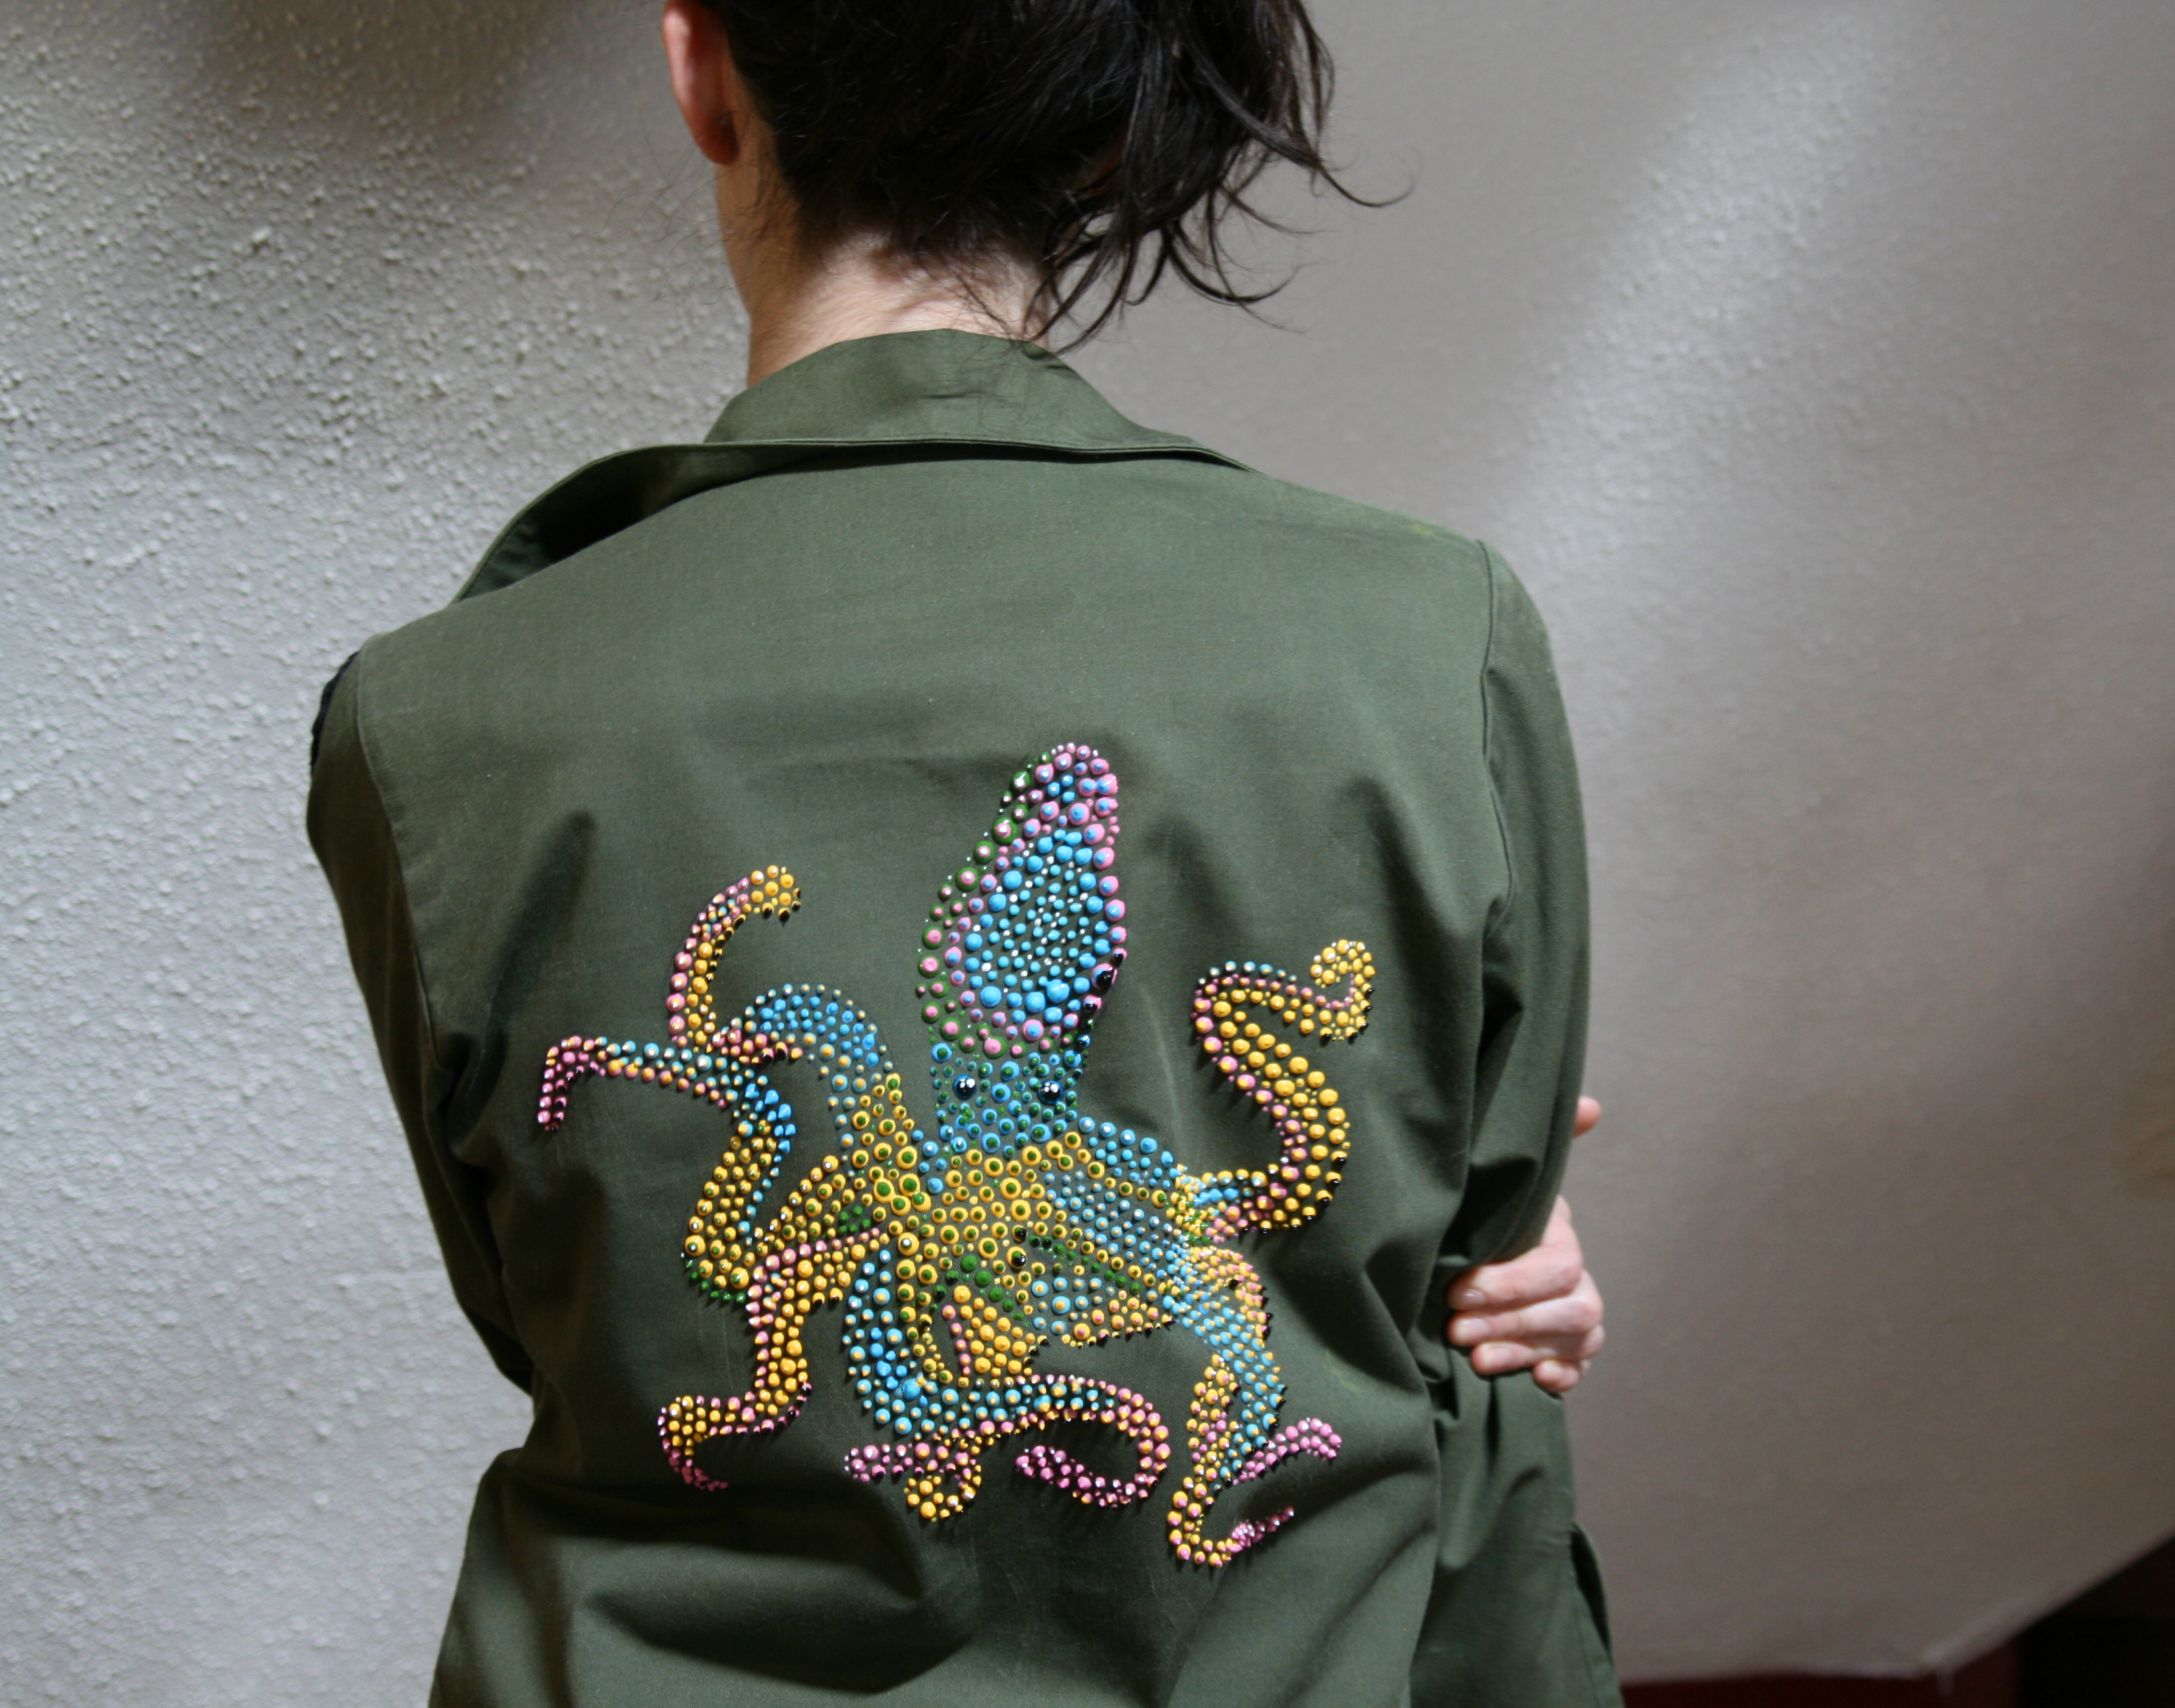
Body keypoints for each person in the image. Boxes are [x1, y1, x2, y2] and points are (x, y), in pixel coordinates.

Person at [307, 0, 1610, 1701]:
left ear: (701, 67)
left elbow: (550, 1304)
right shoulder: (1440, 637)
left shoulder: (430, 718)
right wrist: (1444, 1253)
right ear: (1112, 133)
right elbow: (1473, 1301)